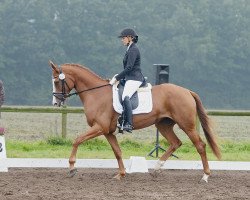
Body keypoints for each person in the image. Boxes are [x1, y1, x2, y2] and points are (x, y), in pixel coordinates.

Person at [109, 28, 145, 133]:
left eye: (123, 38)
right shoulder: (129, 48)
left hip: (135, 78)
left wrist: (117, 78)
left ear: (130, 38)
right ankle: (122, 119)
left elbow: (129, 68)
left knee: (125, 96)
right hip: (130, 78)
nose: (122, 40)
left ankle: (128, 123)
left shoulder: (133, 49)